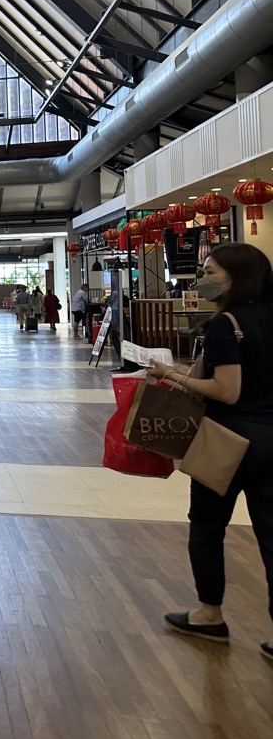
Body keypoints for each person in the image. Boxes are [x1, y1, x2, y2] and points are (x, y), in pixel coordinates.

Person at [146, 243, 273, 661]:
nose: (203, 280)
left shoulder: (225, 324)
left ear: (235, 277)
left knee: (207, 526)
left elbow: (227, 391)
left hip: (228, 439)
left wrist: (172, 377)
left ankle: (209, 614)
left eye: (211, 271)